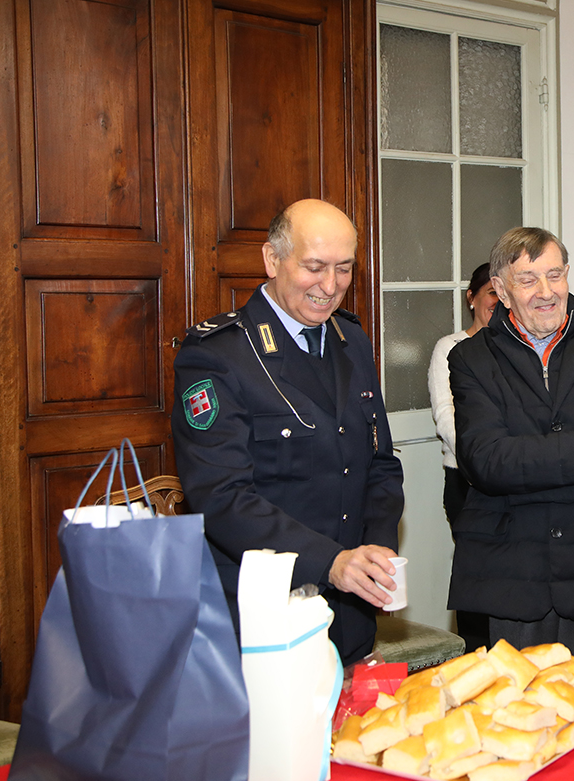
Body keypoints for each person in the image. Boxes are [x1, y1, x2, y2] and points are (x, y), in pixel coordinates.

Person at [173, 198, 404, 664]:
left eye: (344, 269)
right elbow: (222, 497)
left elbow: (380, 464)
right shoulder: (219, 355)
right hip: (263, 617)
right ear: (272, 260)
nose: (330, 286)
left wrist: (375, 550)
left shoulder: (350, 340)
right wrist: (330, 563)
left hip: (349, 610)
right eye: (314, 267)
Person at [447, 226, 574, 659]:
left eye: (555, 275)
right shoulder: (470, 358)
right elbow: (486, 461)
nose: (546, 292)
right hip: (513, 575)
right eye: (528, 280)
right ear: (501, 291)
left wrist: (530, 460)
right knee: (522, 716)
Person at [428, 262, 497, 651]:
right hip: (467, 482)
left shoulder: (517, 347)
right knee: (477, 584)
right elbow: (447, 419)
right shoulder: (449, 348)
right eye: (490, 292)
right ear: (471, 298)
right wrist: (488, 464)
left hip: (511, 482)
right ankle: (475, 665)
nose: (497, 301)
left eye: (503, 293)